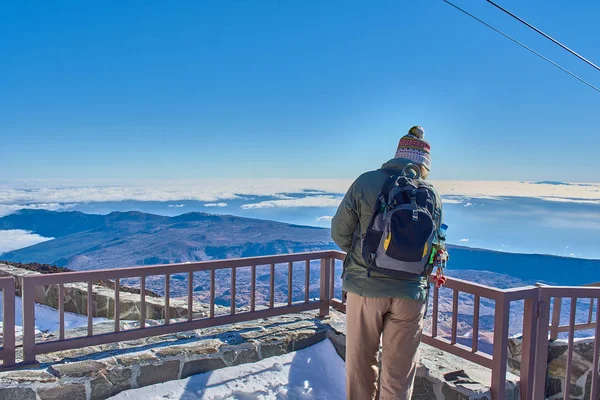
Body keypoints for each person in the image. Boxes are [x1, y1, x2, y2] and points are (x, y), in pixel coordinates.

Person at [331, 126, 445, 400]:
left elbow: (339, 232)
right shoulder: (432, 195)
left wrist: (365, 257)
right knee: (399, 375)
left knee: (360, 365)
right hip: (410, 294)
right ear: (423, 164)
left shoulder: (366, 182)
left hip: (366, 286)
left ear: (397, 154)